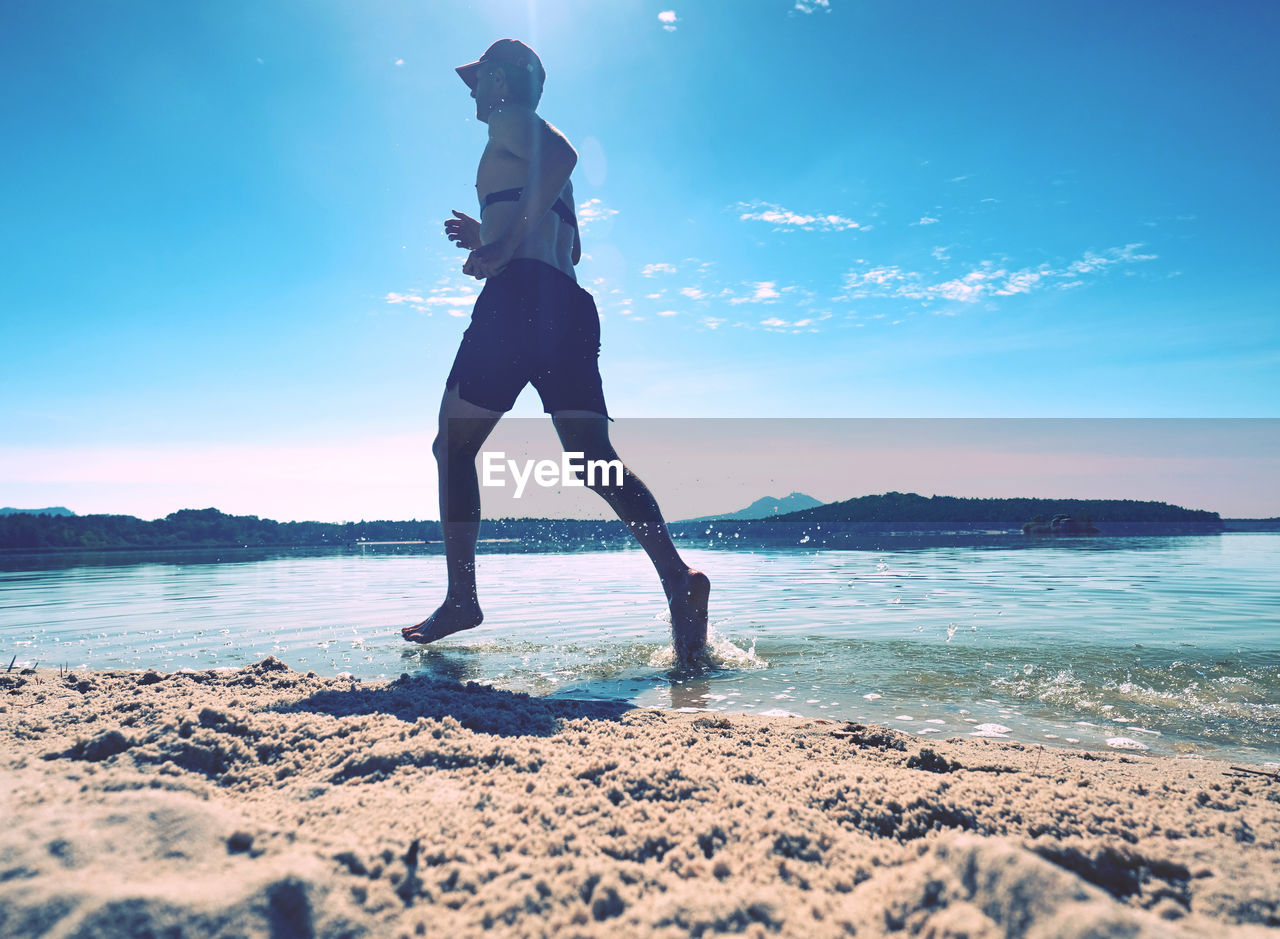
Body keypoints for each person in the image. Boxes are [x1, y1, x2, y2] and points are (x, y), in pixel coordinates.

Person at [402, 40, 710, 661]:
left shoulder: (512, 122)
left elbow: (565, 155)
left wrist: (500, 246)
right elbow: (569, 250)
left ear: (498, 82)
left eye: (475, 79)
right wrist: (491, 230)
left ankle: (463, 597)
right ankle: (678, 579)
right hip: (568, 305)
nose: (469, 92)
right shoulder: (530, 163)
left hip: (519, 300)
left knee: (453, 446)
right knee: (592, 458)